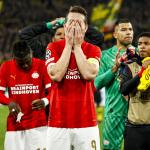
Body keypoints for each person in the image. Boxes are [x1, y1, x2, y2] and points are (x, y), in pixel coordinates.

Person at [45, 5, 101, 150]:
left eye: (78, 23)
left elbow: (89, 74)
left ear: (85, 27)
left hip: (86, 123)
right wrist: (68, 45)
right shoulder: (52, 47)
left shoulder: (93, 49)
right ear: (64, 25)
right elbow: (56, 75)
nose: (74, 26)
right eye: (71, 22)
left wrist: (76, 47)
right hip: (57, 123)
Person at [0, 41, 51, 150]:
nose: (25, 65)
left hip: (39, 125)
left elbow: (54, 92)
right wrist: (9, 102)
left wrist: (45, 101)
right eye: (21, 63)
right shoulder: (6, 67)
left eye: (27, 61)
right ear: (14, 57)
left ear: (31, 53)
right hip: (15, 125)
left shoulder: (42, 65)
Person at [94, 19, 135, 150]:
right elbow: (97, 83)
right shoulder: (105, 56)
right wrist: (115, 67)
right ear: (115, 34)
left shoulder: (141, 54)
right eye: (123, 30)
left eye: (130, 29)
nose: (128, 32)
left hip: (138, 115)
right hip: (114, 114)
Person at [120, 32, 150, 150]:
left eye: (146, 43)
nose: (142, 46)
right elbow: (124, 90)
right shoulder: (130, 66)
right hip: (134, 129)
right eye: (139, 43)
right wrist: (142, 72)